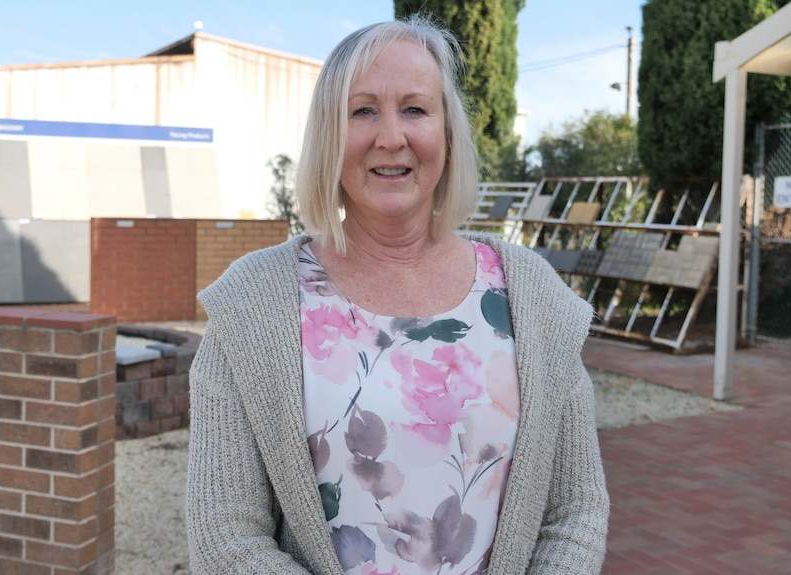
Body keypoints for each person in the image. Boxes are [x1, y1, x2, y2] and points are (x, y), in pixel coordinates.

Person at [187, 15, 609, 575]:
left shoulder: (532, 296)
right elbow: (224, 535)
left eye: (415, 108)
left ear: (447, 133)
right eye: (362, 110)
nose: (391, 137)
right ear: (328, 137)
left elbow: (576, 510)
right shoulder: (252, 305)